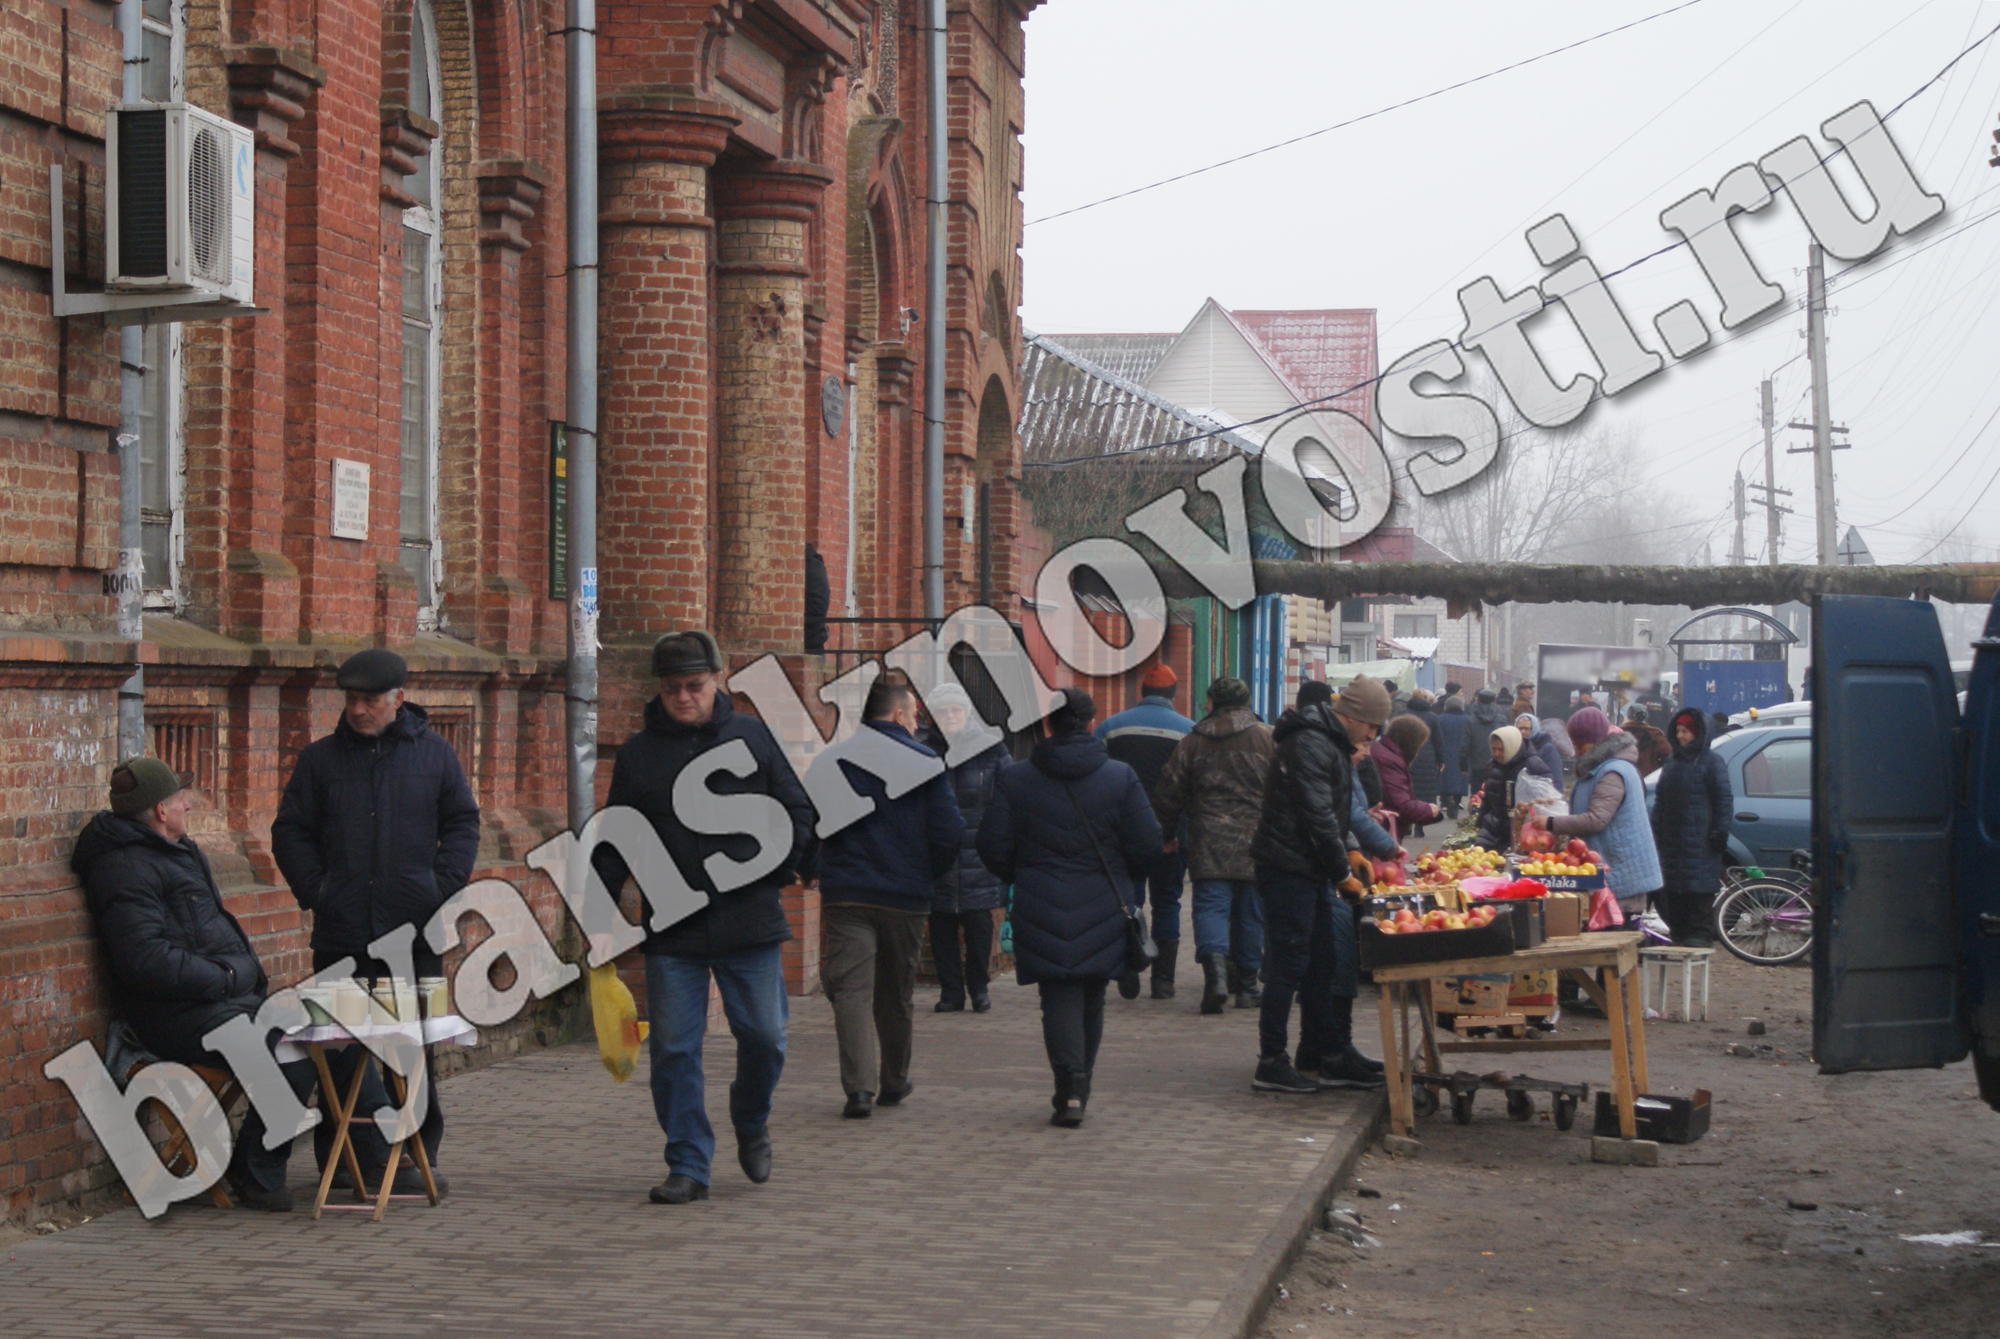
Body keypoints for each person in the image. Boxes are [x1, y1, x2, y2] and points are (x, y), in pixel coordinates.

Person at [588, 630, 817, 1205]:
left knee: (765, 1037)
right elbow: (616, 837)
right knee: (674, 1049)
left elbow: (797, 809)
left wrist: (780, 867)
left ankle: (751, 1117)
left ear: (718, 679)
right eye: (672, 689)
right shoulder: (640, 754)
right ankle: (688, 1162)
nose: (685, 697)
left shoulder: (753, 738)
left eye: (694, 685)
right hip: (673, 926)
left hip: (750, 919)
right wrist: (597, 915)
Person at [271, 649, 479, 1199]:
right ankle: (345, 1163)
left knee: (413, 1050)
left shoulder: (435, 756)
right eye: (352, 700)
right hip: (341, 934)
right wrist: (317, 890)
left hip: (414, 934)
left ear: (398, 700)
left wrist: (439, 887)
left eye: (369, 700)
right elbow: (289, 831)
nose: (359, 710)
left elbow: (462, 823)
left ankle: (415, 1158)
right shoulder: (320, 762)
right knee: (337, 1049)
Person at [75, 759, 318, 1212]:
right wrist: (225, 978)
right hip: (176, 1017)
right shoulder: (124, 868)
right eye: (178, 798)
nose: (187, 803)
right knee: (291, 1052)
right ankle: (256, 1172)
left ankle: (335, 1157)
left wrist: (235, 977)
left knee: (314, 1033)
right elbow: (144, 961)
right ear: (160, 810)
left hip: (218, 1003)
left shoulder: (177, 850)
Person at [977, 689, 1161, 1127]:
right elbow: (1148, 844)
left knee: (1056, 994)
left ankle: (1069, 1088)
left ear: (1047, 725)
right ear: (1091, 722)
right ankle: (1081, 1085)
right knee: (1093, 993)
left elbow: (991, 844)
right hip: (1104, 900)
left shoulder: (1017, 778)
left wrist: (1021, 873)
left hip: (1040, 898)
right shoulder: (1119, 777)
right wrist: (1122, 874)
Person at [815, 680, 963, 1119]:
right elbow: (950, 832)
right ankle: (894, 1082)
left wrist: (817, 868)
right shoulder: (925, 763)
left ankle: (859, 1090)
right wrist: (924, 872)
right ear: (900, 714)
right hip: (905, 895)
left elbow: (810, 819)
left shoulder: (832, 760)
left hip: (847, 894)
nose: (917, 723)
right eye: (915, 714)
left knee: (852, 992)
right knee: (896, 993)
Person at [1247, 677, 1391, 1094]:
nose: (1373, 736)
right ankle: (1271, 1061)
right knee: (1289, 965)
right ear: (1352, 716)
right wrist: (1342, 870)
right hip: (1287, 867)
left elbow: (1335, 812)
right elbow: (1317, 815)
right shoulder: (1310, 743)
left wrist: (1351, 850)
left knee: (1323, 960)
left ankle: (1332, 1053)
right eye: (1371, 726)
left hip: (1309, 867)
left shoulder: (1329, 742)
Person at [1152, 676, 1273, 1015]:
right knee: (1251, 913)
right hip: (1255, 841)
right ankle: (1248, 987)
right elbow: (1286, 788)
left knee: (1210, 907)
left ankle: (1216, 977)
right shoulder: (1268, 739)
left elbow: (1168, 792)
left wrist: (1167, 834)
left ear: (1214, 702)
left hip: (1208, 839)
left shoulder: (1192, 742)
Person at [1094, 663, 1195, 1000]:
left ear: (1142, 693)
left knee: (1128, 901)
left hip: (1123, 835)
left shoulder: (1111, 728)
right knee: (1168, 902)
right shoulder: (1189, 732)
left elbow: (1095, 776)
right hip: (1171, 834)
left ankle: (1128, 969)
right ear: (1173, 693)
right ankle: (1163, 981)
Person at [924, 683, 1010, 1015]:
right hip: (939, 855)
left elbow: (1006, 800)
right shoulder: (924, 751)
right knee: (942, 926)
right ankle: (951, 992)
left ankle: (978, 987)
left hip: (979, 854)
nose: (950, 716)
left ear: (968, 712)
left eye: (956, 710)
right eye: (943, 711)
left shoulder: (992, 750)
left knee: (978, 926)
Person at [1535, 728, 1662, 922]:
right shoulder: (1598, 769)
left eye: (1580, 744)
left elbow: (1596, 820)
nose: (1576, 750)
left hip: (1620, 870)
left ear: (1597, 742)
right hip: (1608, 865)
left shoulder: (1613, 772)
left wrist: (1551, 823)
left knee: (1617, 934)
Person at [1651, 708, 1733, 948]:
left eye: (1684, 731)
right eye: (1677, 730)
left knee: (1698, 887)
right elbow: (1661, 799)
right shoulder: (1672, 762)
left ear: (1697, 733)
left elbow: (1723, 800)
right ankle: (1679, 931)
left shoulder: (1712, 762)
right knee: (1673, 887)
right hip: (1672, 838)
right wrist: (1656, 828)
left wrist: (1719, 831)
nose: (1679, 736)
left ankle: (1700, 933)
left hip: (1701, 839)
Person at [1472, 725, 1553, 851]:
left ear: (1512, 747)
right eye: (1493, 749)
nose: (1496, 754)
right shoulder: (1492, 765)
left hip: (1523, 831)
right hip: (1494, 828)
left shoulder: (1533, 765)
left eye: (1501, 749)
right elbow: (1488, 798)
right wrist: (1480, 824)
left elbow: (1546, 800)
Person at [1371, 716, 1443, 835]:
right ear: (1410, 743)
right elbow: (1400, 805)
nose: (1418, 752)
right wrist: (1428, 809)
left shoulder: (1386, 754)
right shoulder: (1389, 761)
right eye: (1418, 746)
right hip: (1382, 831)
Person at [1396, 691, 1446, 833]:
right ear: (1426, 699)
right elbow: (1438, 741)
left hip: (1405, 755)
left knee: (1406, 790)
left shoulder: (1401, 714)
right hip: (1426, 757)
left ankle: (1406, 825)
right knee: (1424, 791)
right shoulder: (1432, 717)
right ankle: (1420, 825)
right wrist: (1440, 760)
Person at [1459, 687, 1509, 793]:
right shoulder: (1502, 720)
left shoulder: (1471, 720)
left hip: (1477, 766)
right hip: (1497, 764)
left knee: (1477, 796)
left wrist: (1463, 767)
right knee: (1496, 793)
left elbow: (1465, 746)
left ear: (1477, 701)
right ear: (1493, 702)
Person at [1433, 692, 1471, 819]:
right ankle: (1455, 803)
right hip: (1462, 755)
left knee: (1444, 779)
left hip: (1445, 754)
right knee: (1460, 780)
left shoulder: (1440, 719)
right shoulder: (1467, 719)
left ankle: (1446, 799)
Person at [1517, 711, 1565, 784]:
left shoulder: (1547, 749)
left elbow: (1556, 777)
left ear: (1534, 729)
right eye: (1520, 728)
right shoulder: (1515, 747)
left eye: (1526, 728)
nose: (1523, 732)